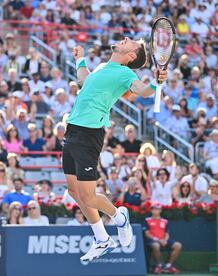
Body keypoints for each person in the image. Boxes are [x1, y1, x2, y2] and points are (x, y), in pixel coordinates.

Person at [63, 38, 168, 261]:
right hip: (72, 130)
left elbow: (143, 90)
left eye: (131, 42)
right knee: (74, 191)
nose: (125, 39)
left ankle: (119, 217)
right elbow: (84, 80)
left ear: (131, 55)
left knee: (88, 197)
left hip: (89, 133)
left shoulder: (126, 74)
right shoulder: (102, 67)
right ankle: (102, 239)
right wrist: (80, 58)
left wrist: (156, 83)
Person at [144, 203, 182, 274]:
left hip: (164, 240)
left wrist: (165, 240)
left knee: (178, 245)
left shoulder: (165, 221)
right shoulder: (147, 220)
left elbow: (167, 233)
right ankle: (159, 266)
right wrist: (158, 240)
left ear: (160, 210)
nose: (156, 211)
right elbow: (147, 234)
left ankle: (169, 266)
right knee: (156, 245)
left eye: (157, 209)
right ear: (151, 210)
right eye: (154, 209)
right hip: (153, 241)